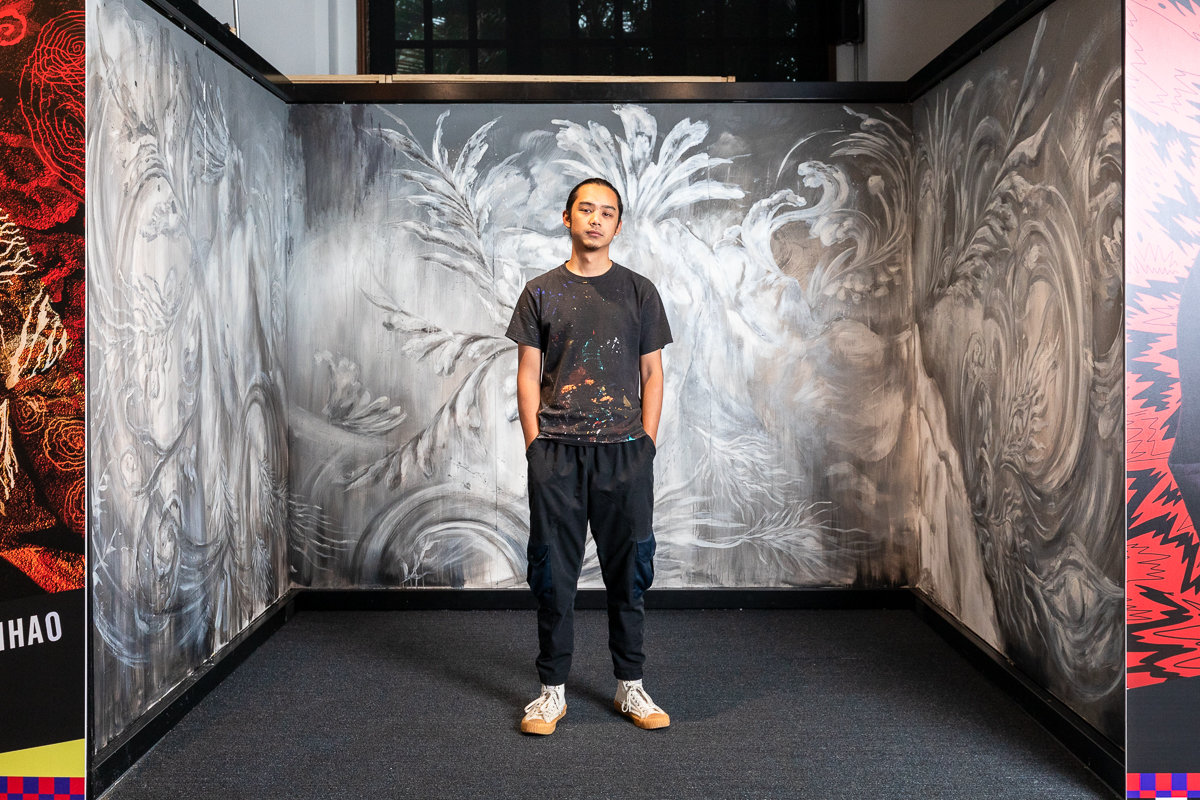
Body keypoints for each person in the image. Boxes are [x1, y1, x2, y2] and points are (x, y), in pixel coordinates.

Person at [503, 177, 673, 735]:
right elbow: (527, 375)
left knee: (631, 572)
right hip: (557, 454)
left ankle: (630, 685)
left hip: (625, 453)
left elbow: (652, 373)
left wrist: (646, 444)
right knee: (554, 575)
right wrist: (535, 446)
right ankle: (551, 692)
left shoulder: (639, 291)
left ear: (618, 226)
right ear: (567, 217)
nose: (596, 219)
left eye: (607, 213)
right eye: (586, 209)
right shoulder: (540, 292)